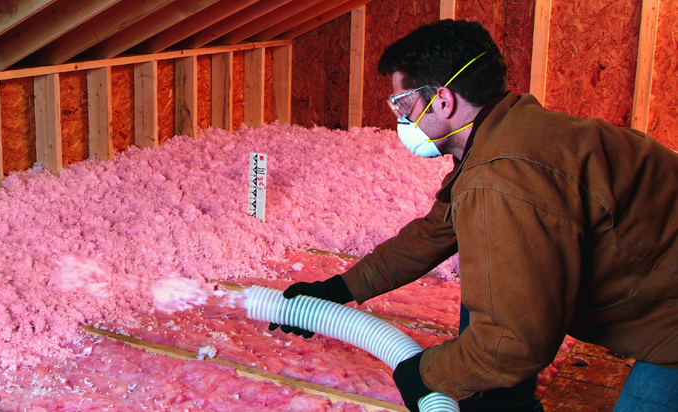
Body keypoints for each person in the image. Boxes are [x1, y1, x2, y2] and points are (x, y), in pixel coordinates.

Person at [270, 20, 678, 412]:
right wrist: (340, 289)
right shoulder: (510, 129)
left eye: (404, 104)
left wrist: (427, 374)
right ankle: (503, 403)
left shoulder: (503, 178)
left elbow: (514, 343)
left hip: (670, 322)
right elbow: (434, 233)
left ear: (443, 100)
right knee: (491, 274)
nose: (402, 120)